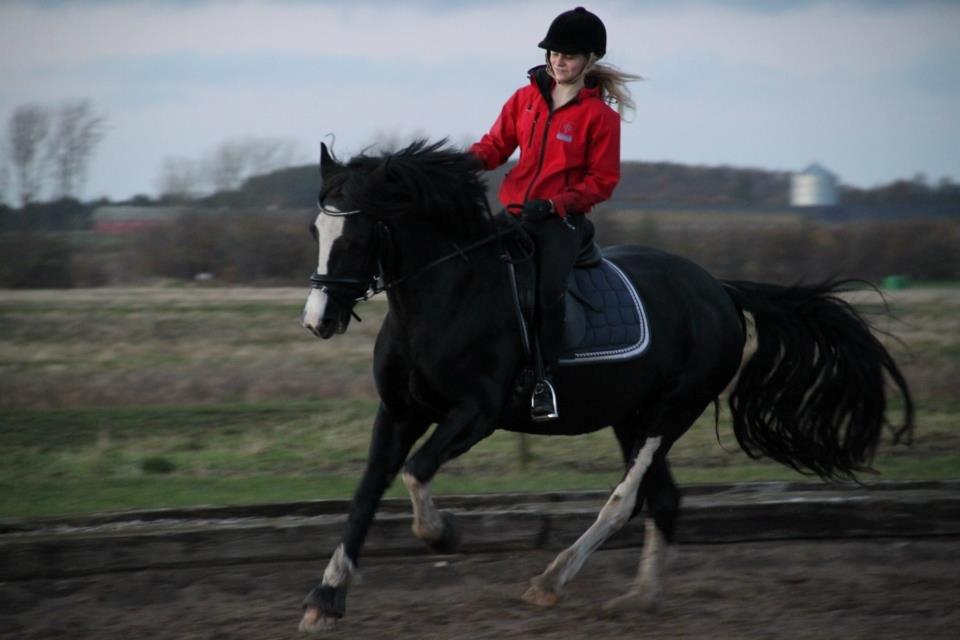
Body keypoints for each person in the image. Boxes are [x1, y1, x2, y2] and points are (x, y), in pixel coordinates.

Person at [468, 6, 639, 421]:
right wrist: (457, 165)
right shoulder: (524, 99)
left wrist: (555, 203)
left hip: (559, 224)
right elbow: (494, 148)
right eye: (553, 53)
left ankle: (543, 381)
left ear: (590, 60)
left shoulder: (601, 118)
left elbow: (602, 182)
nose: (557, 61)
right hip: (513, 215)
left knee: (544, 292)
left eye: (568, 55)